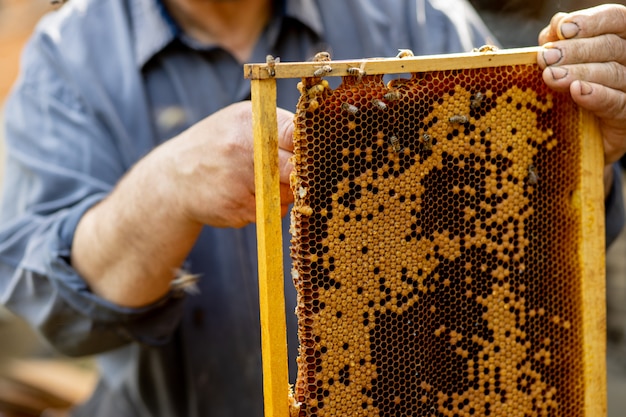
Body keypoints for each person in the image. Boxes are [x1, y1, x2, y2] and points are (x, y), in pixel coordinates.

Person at [0, 0, 624, 416]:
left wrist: (583, 147)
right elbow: (53, 306)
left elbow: (528, 237)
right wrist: (165, 187)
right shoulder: (66, 59)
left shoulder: (415, 14)